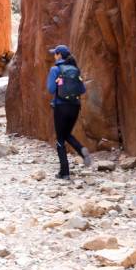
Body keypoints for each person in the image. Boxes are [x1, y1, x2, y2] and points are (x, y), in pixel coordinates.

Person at [46, 44, 93, 179]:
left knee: (60, 139)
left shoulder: (55, 69)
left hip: (61, 107)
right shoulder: (75, 69)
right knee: (67, 134)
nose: (54, 56)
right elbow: (82, 90)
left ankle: (64, 172)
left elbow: (50, 89)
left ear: (59, 55)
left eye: (55, 53)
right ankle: (81, 150)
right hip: (75, 106)